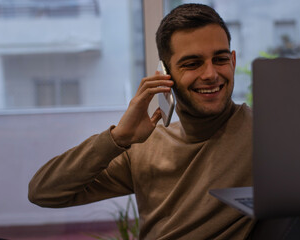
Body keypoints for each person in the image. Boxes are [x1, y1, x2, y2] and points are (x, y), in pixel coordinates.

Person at [28, 4, 255, 239]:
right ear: (164, 74)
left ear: (233, 61)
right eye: (192, 63)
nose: (210, 74)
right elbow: (42, 192)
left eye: (220, 59)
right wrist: (117, 138)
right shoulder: (144, 147)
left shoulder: (265, 135)